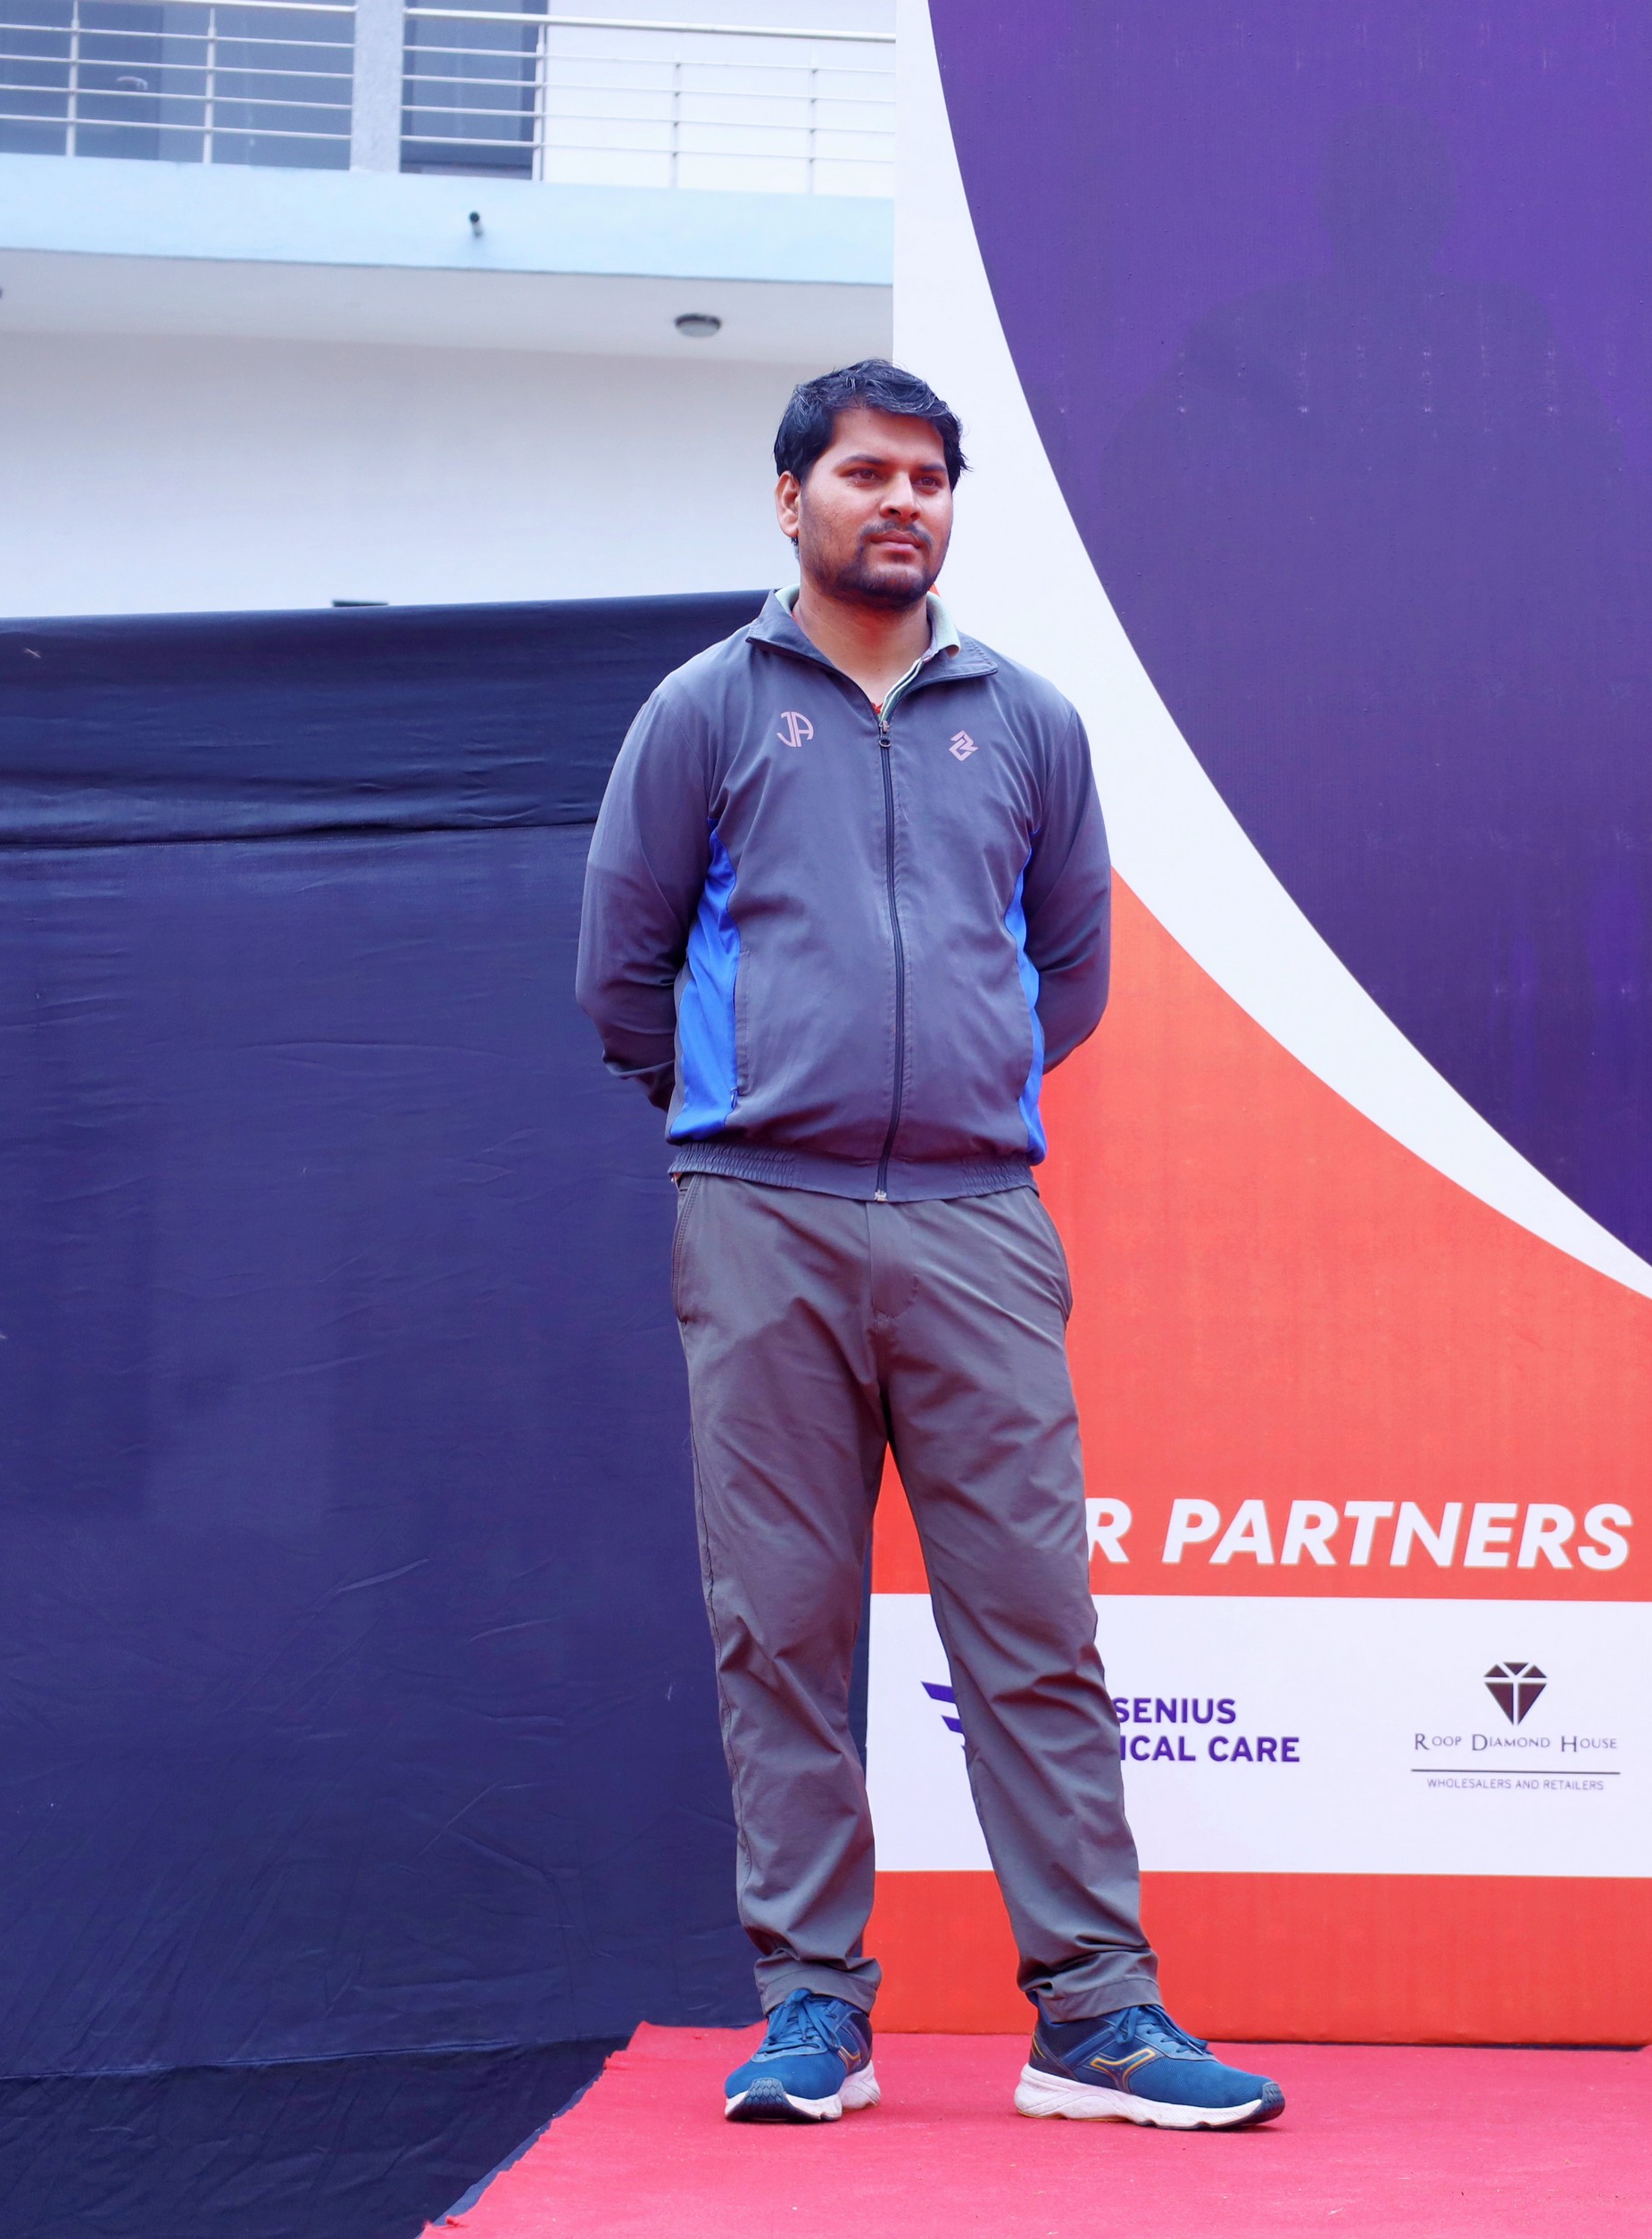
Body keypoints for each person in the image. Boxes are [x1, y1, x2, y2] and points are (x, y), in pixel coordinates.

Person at [577, 360, 1284, 2132]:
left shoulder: (1029, 721)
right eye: (865, 471)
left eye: (929, 477)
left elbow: (1069, 971)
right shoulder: (702, 711)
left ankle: (1094, 2014)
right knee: (782, 1628)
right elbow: (620, 970)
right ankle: (813, 2008)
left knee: (1034, 1625)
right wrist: (756, 1103)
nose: (902, 500)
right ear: (789, 497)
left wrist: (949, 1091)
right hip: (763, 1219)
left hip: (976, 1223)